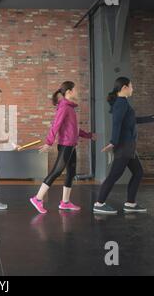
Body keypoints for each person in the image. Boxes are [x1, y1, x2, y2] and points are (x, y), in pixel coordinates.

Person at [93, 77, 154, 214]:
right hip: (124, 146)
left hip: (128, 146)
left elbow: (133, 120)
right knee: (114, 175)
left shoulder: (122, 103)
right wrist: (113, 142)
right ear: (124, 88)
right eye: (131, 86)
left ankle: (130, 203)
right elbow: (117, 123)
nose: (133, 89)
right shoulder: (121, 103)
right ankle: (99, 204)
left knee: (138, 172)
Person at [30, 81, 96, 214]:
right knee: (56, 172)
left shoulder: (70, 108)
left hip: (71, 145)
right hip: (65, 145)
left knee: (71, 173)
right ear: (69, 92)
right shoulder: (65, 107)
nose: (78, 92)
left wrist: (89, 135)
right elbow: (56, 125)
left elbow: (74, 129)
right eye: (76, 90)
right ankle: (37, 198)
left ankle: (65, 202)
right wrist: (49, 142)